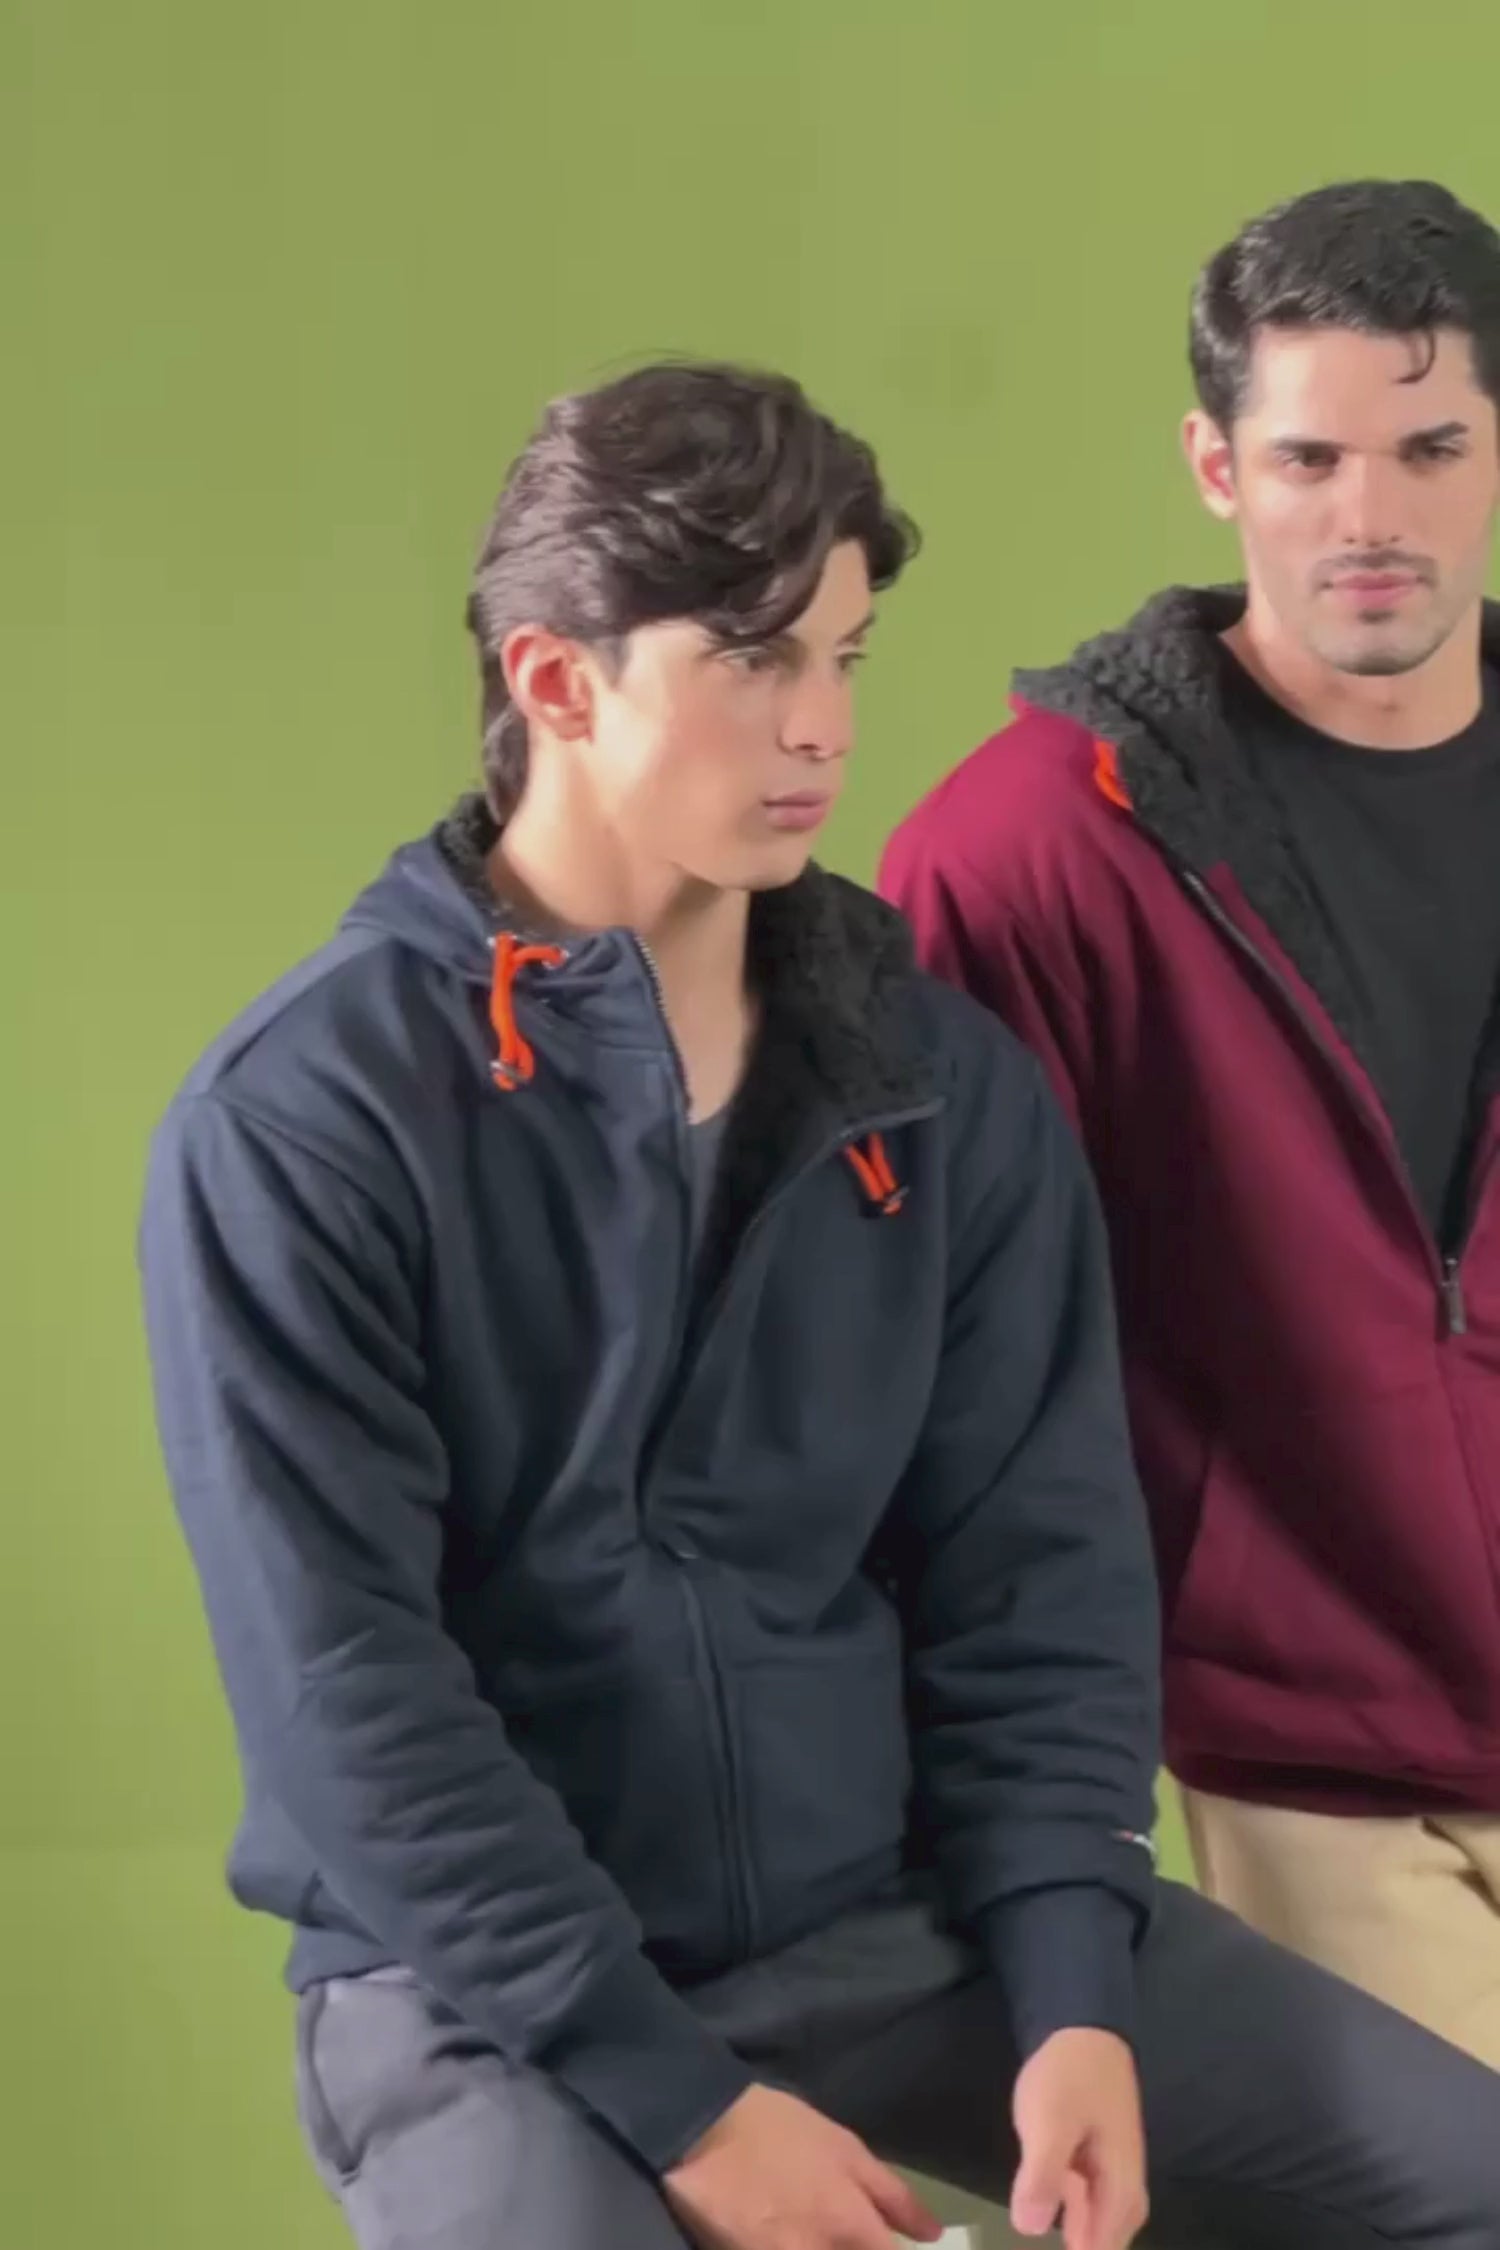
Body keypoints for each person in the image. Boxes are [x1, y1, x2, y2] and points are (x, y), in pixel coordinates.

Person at [141, 359, 1500, 2250]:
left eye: (845, 658)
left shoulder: (941, 1088)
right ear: (555, 680)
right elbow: (349, 1697)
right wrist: (688, 2108)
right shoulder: (305, 1123)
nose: (823, 728)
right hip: (482, 1998)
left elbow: (1038, 1580)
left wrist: (1075, 1989)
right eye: (754, 660)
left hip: (894, 1926)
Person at [881, 179, 1500, 2069]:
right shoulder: (1027, 856)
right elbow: (943, 1370)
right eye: (1310, 456)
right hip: (1310, 1747)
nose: (1372, 517)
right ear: (1216, 466)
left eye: (1430, 449)